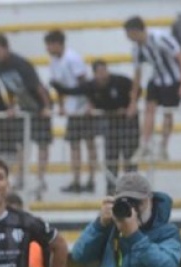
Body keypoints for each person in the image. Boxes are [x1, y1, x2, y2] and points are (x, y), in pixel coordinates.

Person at [52, 60, 138, 196]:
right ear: (94, 74)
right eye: (100, 72)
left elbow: (137, 88)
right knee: (111, 158)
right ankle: (111, 190)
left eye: (105, 70)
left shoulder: (120, 81)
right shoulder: (90, 86)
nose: (103, 74)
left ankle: (132, 190)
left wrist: (131, 105)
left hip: (128, 124)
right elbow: (72, 91)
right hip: (110, 125)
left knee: (129, 158)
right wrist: (55, 85)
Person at [0, 34, 53, 199]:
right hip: (23, 107)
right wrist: (11, 106)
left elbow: (39, 87)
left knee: (42, 144)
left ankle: (41, 177)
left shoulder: (21, 64)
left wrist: (46, 107)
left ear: (6, 48)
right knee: (21, 144)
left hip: (38, 105)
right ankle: (20, 176)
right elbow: (9, 88)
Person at [124, 16, 181, 162]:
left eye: (129, 33)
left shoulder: (160, 38)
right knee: (149, 108)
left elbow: (180, 57)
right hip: (156, 79)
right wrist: (132, 102)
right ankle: (145, 144)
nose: (128, 37)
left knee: (167, 113)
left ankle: (163, 147)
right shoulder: (137, 48)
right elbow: (137, 75)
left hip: (173, 80)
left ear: (136, 31)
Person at [45, 29, 96, 194]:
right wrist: (61, 105)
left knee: (89, 143)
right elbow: (58, 86)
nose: (48, 48)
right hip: (72, 108)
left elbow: (84, 82)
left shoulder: (72, 58)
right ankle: (76, 180)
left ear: (58, 44)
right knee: (74, 144)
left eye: (50, 45)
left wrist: (89, 104)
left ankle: (91, 179)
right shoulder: (53, 61)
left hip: (82, 106)